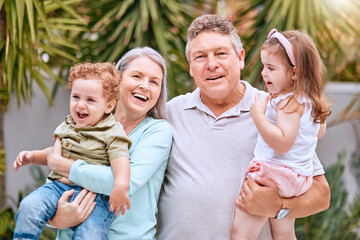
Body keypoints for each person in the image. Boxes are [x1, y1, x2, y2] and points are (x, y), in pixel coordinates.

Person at [157, 14, 330, 240]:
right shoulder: (169, 114)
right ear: (191, 67)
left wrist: (279, 205)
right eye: (200, 56)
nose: (211, 64)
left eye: (221, 53)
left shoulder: (274, 109)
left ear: (240, 58)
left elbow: (322, 194)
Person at [42, 47, 172, 240]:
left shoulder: (157, 132)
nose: (145, 85)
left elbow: (124, 183)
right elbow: (53, 185)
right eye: (137, 76)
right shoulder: (84, 123)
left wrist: (65, 166)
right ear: (116, 80)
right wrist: (56, 219)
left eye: (154, 82)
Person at [13, 62, 132, 239]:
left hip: (96, 198)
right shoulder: (68, 125)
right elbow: (55, 153)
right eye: (76, 97)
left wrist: (121, 187)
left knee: (90, 234)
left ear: (108, 106)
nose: (81, 105)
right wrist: (32, 157)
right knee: (29, 206)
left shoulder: (112, 131)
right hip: (58, 188)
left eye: (90, 100)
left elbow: (120, 160)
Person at [231, 28, 331, 240]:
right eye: (263, 67)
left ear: (295, 72)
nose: (264, 73)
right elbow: (318, 133)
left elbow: (283, 143)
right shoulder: (309, 101)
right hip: (297, 178)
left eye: (271, 68)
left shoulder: (286, 104)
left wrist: (258, 116)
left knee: (241, 233)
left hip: (274, 174)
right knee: (284, 233)